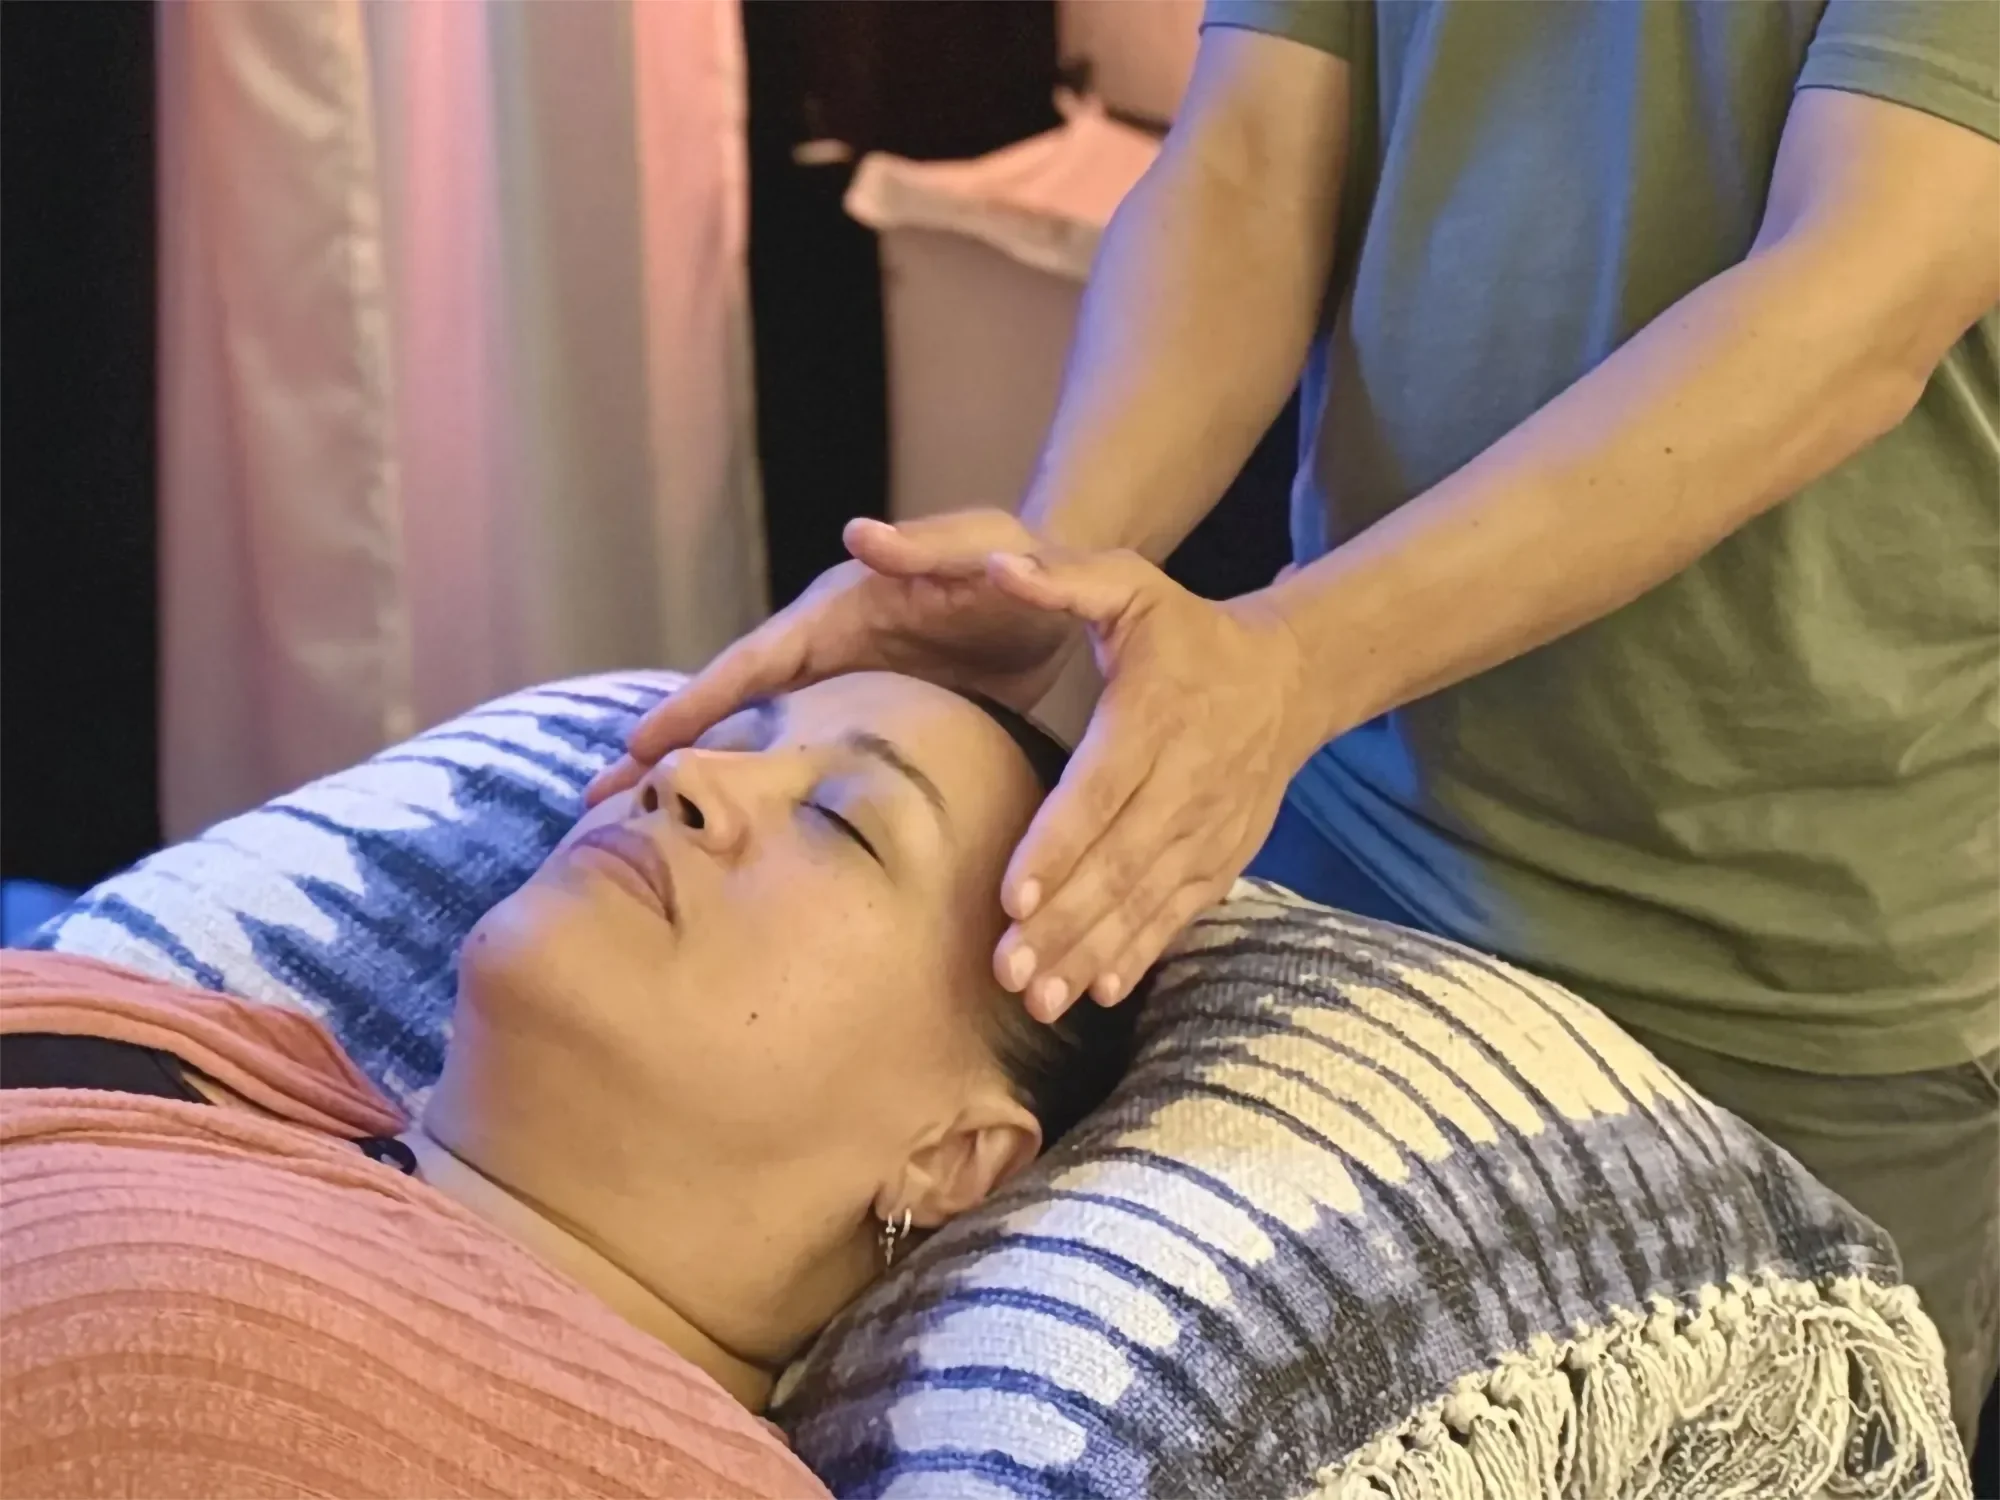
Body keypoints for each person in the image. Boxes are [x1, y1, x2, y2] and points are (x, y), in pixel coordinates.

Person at [593, 0, 2000, 1451]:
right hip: (1325, 865)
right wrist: (1056, 557)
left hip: (1783, 969)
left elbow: (1862, 292)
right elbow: (1256, 161)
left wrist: (1292, 659)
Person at [0, 672, 1137, 1499]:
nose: (690, 776)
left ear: (947, 1157)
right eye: (735, 737)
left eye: (843, 823)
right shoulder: (210, 1053)